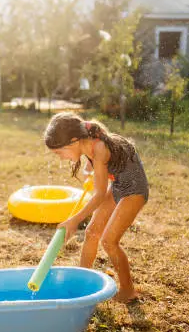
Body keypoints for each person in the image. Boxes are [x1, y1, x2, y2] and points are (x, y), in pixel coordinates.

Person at [44, 112, 148, 303]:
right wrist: (88, 171)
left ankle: (128, 290)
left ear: (74, 141)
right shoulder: (88, 144)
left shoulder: (99, 147)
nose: (61, 158)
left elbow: (99, 195)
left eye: (60, 153)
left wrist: (74, 220)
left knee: (109, 241)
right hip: (118, 186)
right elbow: (95, 169)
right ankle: (82, 281)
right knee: (92, 233)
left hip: (134, 189)